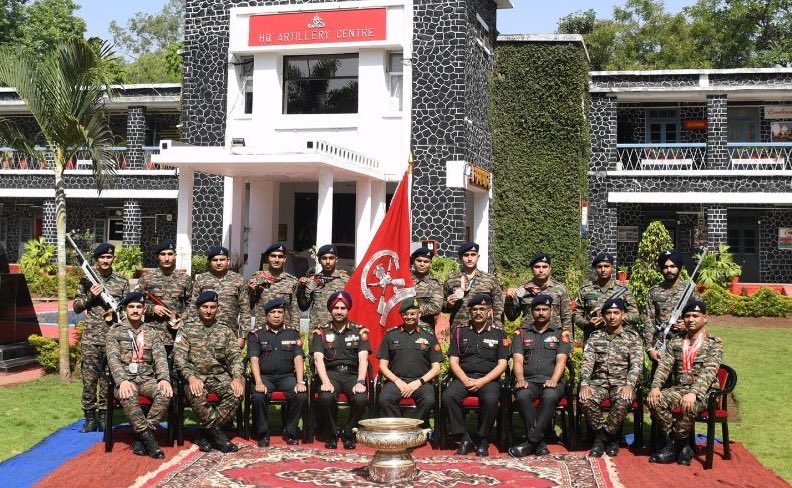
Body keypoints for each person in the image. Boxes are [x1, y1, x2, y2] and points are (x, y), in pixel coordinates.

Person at [647, 301, 723, 465]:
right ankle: (684, 446)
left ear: (705, 318)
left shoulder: (714, 343)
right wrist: (655, 387)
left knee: (689, 406)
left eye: (695, 316)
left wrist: (694, 393)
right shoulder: (676, 341)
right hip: (681, 388)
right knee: (654, 401)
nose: (691, 319)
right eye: (687, 316)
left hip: (706, 392)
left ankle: (673, 446)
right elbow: (664, 367)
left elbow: (709, 372)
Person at [174, 291, 245, 453]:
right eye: (205, 307)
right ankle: (219, 438)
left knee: (236, 393)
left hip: (219, 377)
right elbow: (179, 358)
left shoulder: (224, 330)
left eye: (213, 307)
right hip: (194, 377)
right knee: (198, 394)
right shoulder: (187, 329)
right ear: (198, 308)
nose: (208, 310)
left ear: (217, 308)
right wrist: (190, 377)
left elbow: (235, 357)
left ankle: (204, 433)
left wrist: (236, 377)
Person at [105, 292, 173, 458]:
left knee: (165, 393)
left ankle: (141, 436)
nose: (135, 310)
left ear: (144, 310)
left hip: (147, 380)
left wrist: (164, 378)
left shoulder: (152, 333)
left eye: (139, 307)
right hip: (125, 380)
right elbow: (113, 359)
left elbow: (160, 358)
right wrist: (122, 381)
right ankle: (151, 442)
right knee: (129, 394)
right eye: (131, 307)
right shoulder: (115, 332)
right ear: (125, 309)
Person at [442, 293, 509, 457]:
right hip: (464, 376)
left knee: (491, 399)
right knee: (448, 397)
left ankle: (482, 438)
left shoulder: (499, 334)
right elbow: (454, 361)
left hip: (488, 379)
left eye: (482, 309)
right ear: (470, 312)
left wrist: (482, 381)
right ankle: (464, 437)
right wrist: (465, 379)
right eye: (475, 309)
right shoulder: (459, 332)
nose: (478, 312)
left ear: (489, 312)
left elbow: (502, 364)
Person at [73, 242, 129, 433]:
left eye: (109, 257)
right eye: (102, 257)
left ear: (113, 258)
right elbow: (76, 306)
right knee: (89, 380)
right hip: (91, 338)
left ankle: (105, 416)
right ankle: (89, 418)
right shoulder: (87, 281)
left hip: (113, 337)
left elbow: (129, 307)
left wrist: (116, 311)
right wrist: (90, 296)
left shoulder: (121, 281)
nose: (105, 260)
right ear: (97, 259)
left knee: (107, 379)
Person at [508, 295, 571, 458]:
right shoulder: (520, 333)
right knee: (521, 395)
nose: (541, 313)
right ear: (531, 311)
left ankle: (531, 442)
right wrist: (520, 378)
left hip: (552, 380)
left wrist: (554, 380)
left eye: (545, 309)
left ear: (552, 311)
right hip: (529, 381)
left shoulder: (561, 333)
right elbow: (518, 359)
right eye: (537, 309)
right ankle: (539, 443)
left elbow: (561, 360)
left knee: (550, 396)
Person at [579, 298, 643, 457]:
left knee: (623, 401)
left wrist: (629, 385)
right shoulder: (595, 337)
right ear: (603, 315)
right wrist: (584, 384)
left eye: (616, 313)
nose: (612, 316)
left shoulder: (632, 337)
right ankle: (611, 437)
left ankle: (601, 440)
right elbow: (587, 362)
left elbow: (636, 364)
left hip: (621, 384)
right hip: (599, 383)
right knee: (585, 400)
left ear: (623, 315)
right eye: (608, 313)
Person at [309, 290, 370, 449]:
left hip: (352, 374)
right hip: (331, 374)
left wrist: (361, 381)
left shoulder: (360, 330)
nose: (339, 311)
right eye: (336, 308)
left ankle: (349, 432)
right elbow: (318, 359)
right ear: (330, 310)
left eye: (343, 308)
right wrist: (325, 381)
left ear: (348, 310)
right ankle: (332, 432)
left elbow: (363, 358)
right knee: (326, 397)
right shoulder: (320, 331)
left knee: (361, 399)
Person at [248, 298, 308, 447]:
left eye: (280, 312)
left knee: (300, 395)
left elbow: (298, 358)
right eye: (273, 312)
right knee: (258, 396)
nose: (276, 315)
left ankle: (291, 432)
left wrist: (300, 381)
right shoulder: (256, 334)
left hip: (287, 377)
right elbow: (254, 359)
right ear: (267, 315)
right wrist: (259, 382)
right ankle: (263, 434)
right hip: (265, 377)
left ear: (284, 314)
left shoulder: (292, 333)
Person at [376, 298, 443, 426]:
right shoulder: (390, 335)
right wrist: (398, 381)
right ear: (402, 315)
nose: (409, 317)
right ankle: (400, 427)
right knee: (385, 399)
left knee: (428, 400)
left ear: (419, 314)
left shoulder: (429, 335)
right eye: (406, 314)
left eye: (412, 313)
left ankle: (414, 428)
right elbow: (382, 367)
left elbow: (436, 368)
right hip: (396, 381)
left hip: (421, 382)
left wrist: (418, 383)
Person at [645, 250, 700, 363]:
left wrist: (687, 325)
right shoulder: (654, 291)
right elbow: (648, 322)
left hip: (686, 344)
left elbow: (701, 316)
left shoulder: (689, 290)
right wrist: (649, 348)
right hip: (661, 346)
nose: (669, 270)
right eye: (665, 267)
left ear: (679, 267)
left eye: (673, 266)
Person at [135, 241, 193, 347]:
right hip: (152, 335)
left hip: (175, 334)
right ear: (157, 256)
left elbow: (192, 305)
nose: (167, 258)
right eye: (163, 254)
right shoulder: (146, 278)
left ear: (175, 256)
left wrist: (182, 319)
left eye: (170, 254)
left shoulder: (185, 279)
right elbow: (133, 303)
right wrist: (152, 309)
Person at [573, 252, 639, 342]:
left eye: (606, 266)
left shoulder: (623, 290)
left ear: (612, 268)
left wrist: (620, 318)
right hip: (593, 340)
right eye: (599, 267)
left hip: (619, 341)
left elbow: (635, 315)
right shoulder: (585, 290)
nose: (603, 270)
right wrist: (588, 323)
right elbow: (576, 314)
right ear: (595, 269)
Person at [191, 246, 250, 346]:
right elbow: (193, 307)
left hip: (230, 334)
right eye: (215, 260)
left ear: (228, 260)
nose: (218, 263)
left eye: (222, 259)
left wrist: (242, 336)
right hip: (204, 333)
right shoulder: (201, 279)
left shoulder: (238, 280)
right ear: (209, 262)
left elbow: (245, 309)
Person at [505, 252, 572, 335]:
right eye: (537, 267)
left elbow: (567, 318)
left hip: (553, 337)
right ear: (532, 269)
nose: (541, 270)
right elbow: (511, 317)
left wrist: (568, 343)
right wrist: (509, 300)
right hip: (528, 337)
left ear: (550, 268)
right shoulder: (523, 290)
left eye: (544, 267)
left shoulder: (560, 289)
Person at [442, 241, 504, 330]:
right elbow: (442, 307)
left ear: (478, 257)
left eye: (473, 255)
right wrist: (448, 304)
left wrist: (497, 327)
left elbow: (498, 306)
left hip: (484, 330)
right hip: (460, 329)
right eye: (466, 255)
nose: (470, 258)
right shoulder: (451, 280)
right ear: (460, 258)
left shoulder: (490, 279)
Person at [248, 243, 300, 330]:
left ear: (285, 259)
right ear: (267, 258)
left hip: (284, 331)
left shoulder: (292, 281)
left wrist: (295, 332)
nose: (277, 260)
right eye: (273, 256)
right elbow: (249, 305)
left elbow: (295, 309)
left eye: (280, 256)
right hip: (262, 330)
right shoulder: (257, 279)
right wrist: (251, 291)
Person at [297, 244, 349, 329]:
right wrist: (301, 288)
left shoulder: (346, 280)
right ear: (319, 260)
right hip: (318, 330)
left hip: (340, 330)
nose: (328, 262)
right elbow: (303, 306)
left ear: (336, 260)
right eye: (324, 258)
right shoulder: (313, 280)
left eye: (331, 258)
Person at [410, 247, 443, 328]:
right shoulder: (405, 280)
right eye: (419, 261)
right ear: (413, 262)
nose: (422, 264)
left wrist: (410, 310)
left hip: (424, 328)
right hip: (402, 328)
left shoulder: (435, 283)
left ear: (430, 264)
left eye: (426, 262)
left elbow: (436, 307)